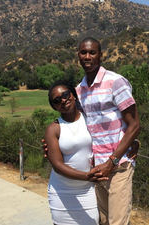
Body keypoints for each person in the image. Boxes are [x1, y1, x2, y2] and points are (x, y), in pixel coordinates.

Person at [76, 37, 140, 225]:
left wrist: (112, 161)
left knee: (117, 222)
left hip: (119, 165)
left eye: (92, 52)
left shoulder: (115, 82)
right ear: (78, 56)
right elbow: (78, 124)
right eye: (83, 52)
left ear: (101, 56)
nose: (87, 56)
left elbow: (134, 125)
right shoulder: (79, 90)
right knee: (103, 220)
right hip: (96, 167)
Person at [45, 82, 107, 225]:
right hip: (61, 191)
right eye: (57, 100)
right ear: (54, 106)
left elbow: (111, 133)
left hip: (87, 191)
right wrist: (87, 176)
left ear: (73, 95)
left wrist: (133, 142)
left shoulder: (90, 119)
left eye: (66, 94)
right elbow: (58, 166)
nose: (63, 100)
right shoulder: (54, 129)